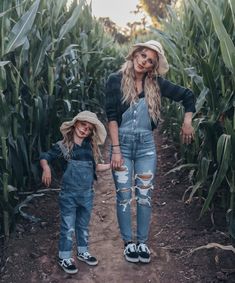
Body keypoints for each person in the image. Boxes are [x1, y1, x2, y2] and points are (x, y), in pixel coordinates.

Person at [105, 40, 195, 264]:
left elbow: (188, 96)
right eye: (143, 55)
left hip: (146, 146)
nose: (144, 61)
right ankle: (129, 244)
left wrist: (187, 121)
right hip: (122, 145)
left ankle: (142, 243)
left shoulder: (157, 84)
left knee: (144, 196)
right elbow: (111, 117)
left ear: (153, 67)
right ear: (135, 53)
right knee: (124, 196)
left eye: (150, 61)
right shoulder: (114, 80)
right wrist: (116, 150)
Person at [40, 111, 110, 274]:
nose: (85, 130)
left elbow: (96, 167)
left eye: (89, 129)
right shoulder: (63, 146)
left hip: (87, 194)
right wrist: (46, 167)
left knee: (83, 225)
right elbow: (45, 156)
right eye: (83, 125)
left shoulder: (89, 148)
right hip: (69, 195)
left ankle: (82, 251)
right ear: (75, 124)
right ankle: (64, 256)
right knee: (68, 226)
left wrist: (111, 166)